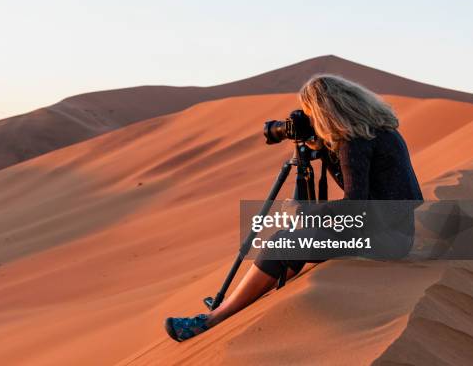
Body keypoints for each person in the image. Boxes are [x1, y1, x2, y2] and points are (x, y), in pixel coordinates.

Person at [164, 74, 423, 342]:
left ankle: (212, 318)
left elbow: (354, 208)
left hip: (382, 241)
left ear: (325, 111)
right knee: (293, 243)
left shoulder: (353, 143)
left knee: (282, 241)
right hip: (399, 234)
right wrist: (320, 146)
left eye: (312, 113)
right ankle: (241, 299)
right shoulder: (380, 132)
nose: (309, 119)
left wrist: (304, 213)